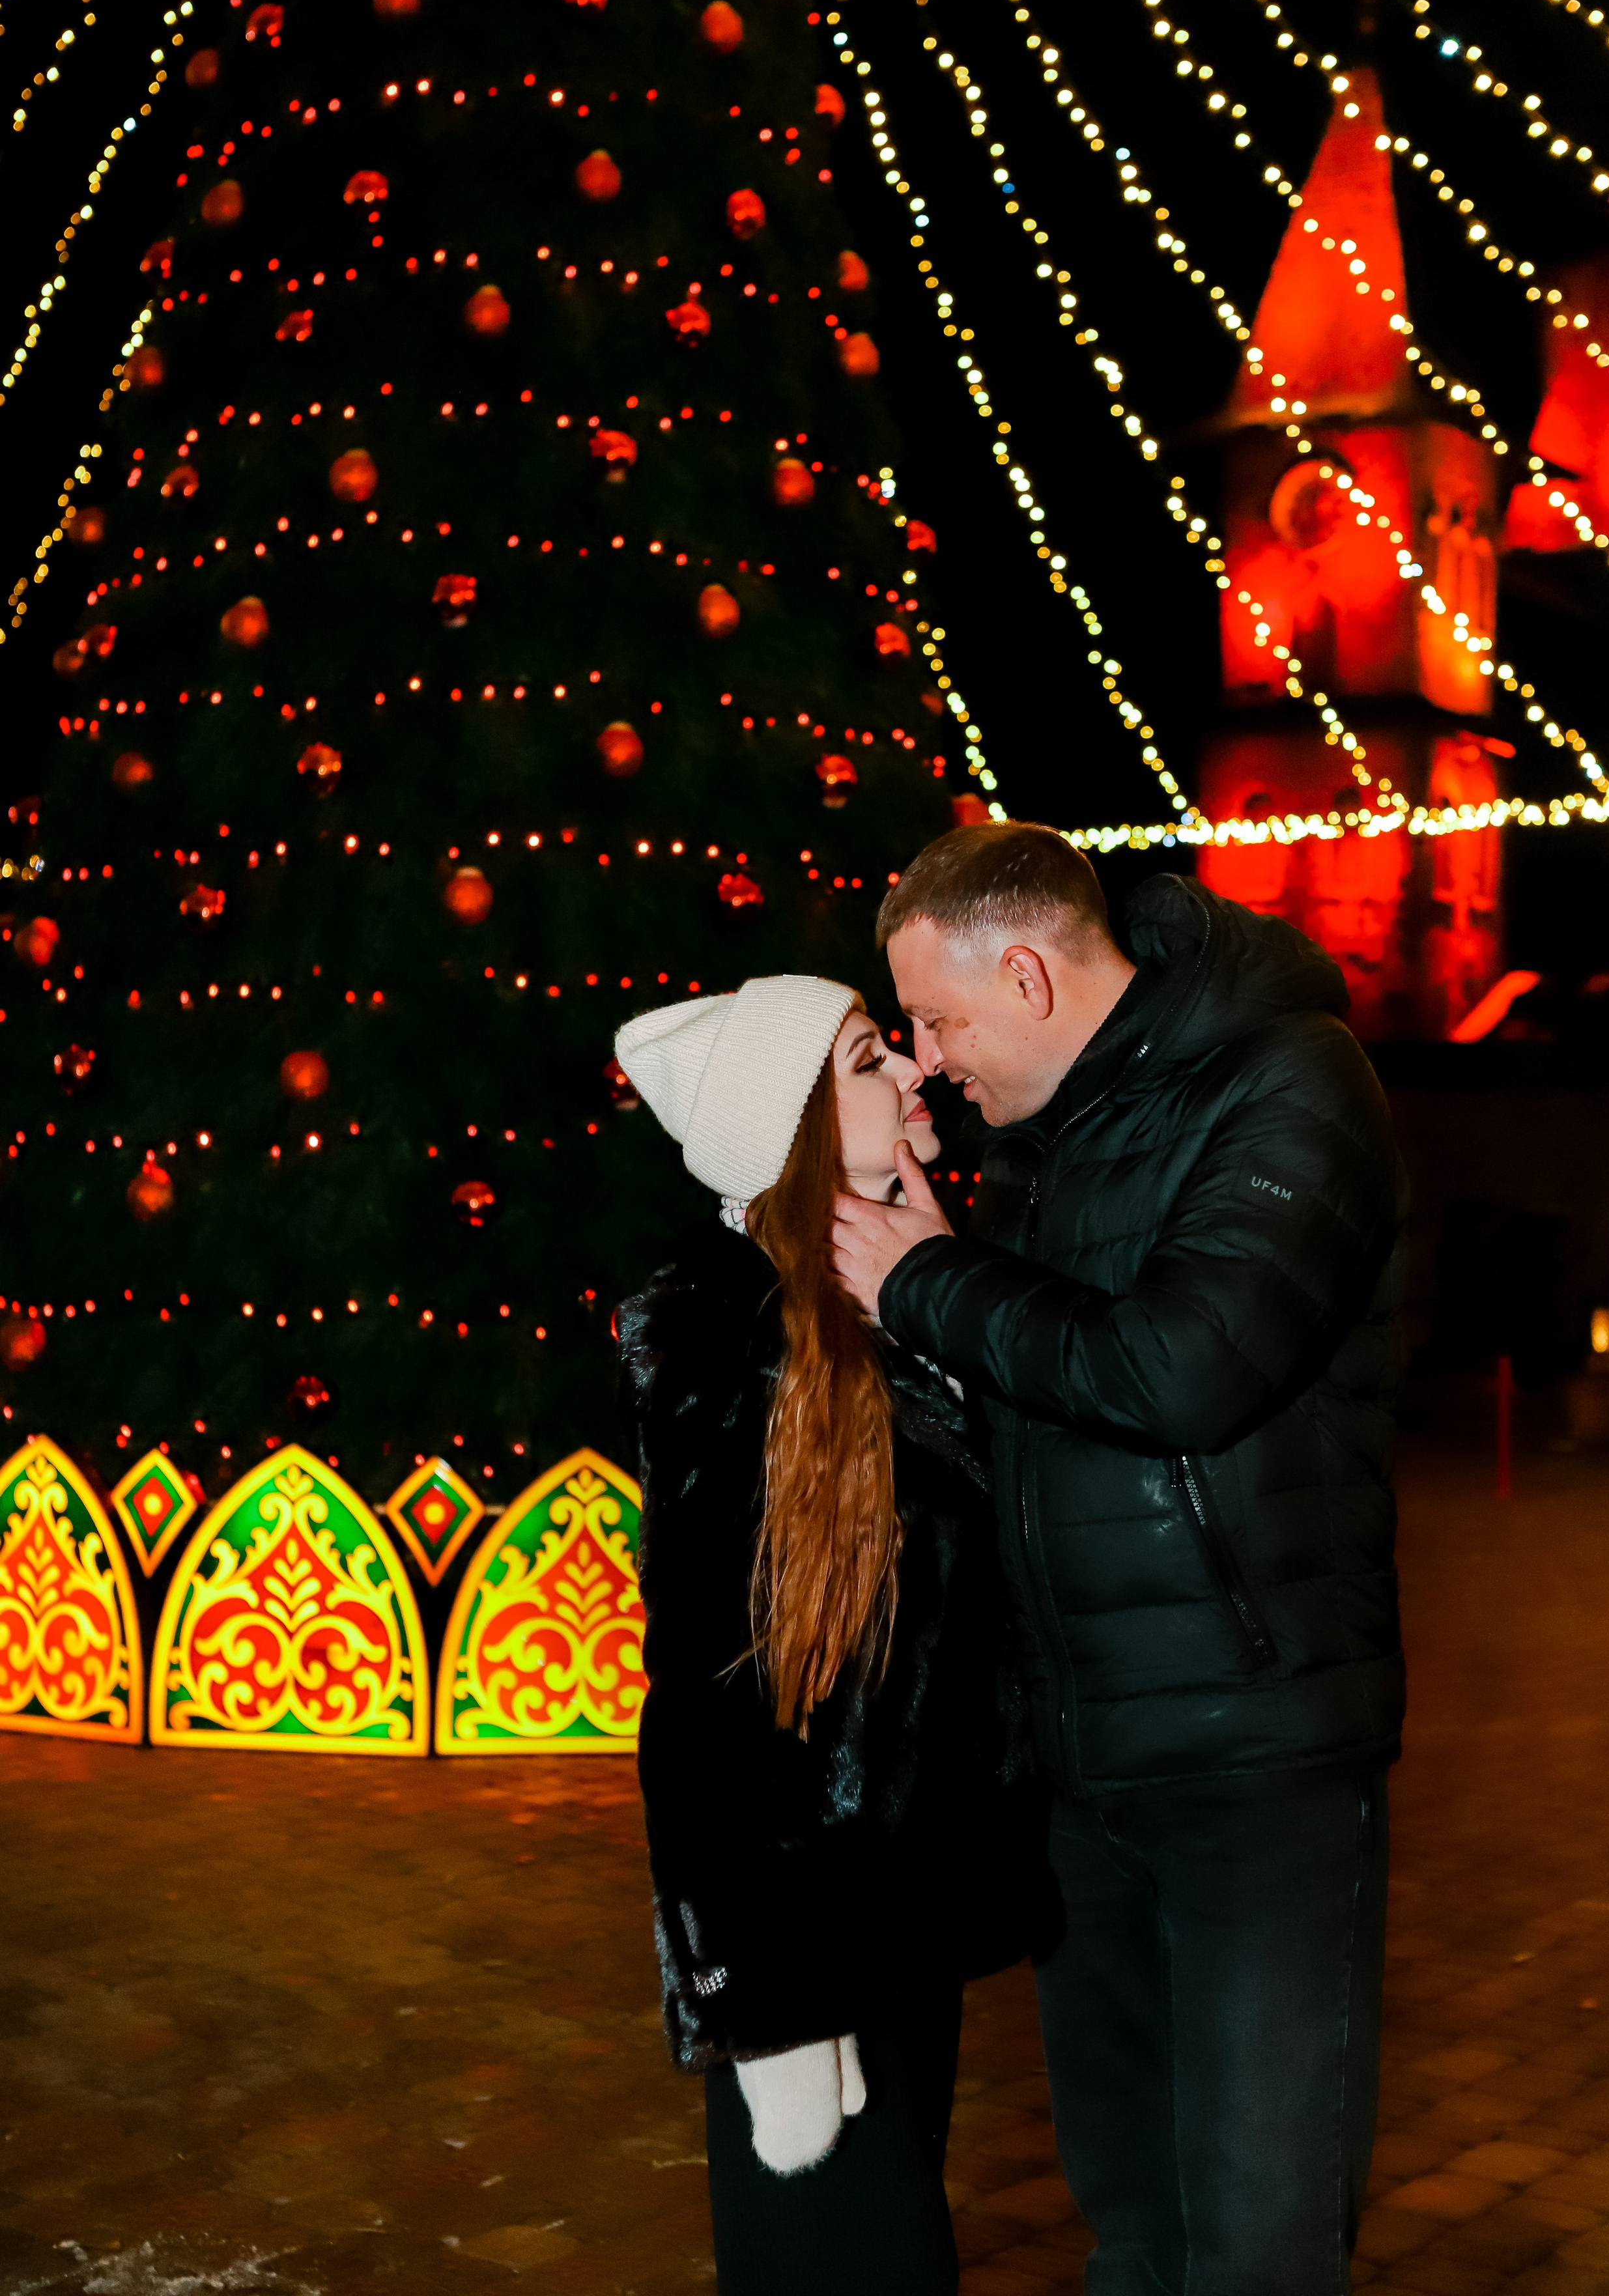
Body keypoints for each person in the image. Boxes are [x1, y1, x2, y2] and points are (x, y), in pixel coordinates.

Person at [829, 824, 1406, 2296]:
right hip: (1079, 1768)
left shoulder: (1292, 1083)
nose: (930, 1057)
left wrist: (929, 1279)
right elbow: (1028, 1394)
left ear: (1023, 972)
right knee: (1134, 2227)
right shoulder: (1035, 1140)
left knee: (1255, 2238)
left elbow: (1181, 1371)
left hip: (1250, 1762)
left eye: (940, 1019)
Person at [613, 974, 1057, 2296]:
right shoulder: (722, 1333)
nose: (909, 1073)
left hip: (907, 1894)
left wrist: (944, 1288)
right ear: (792, 1122)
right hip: (807, 1933)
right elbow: (706, 1689)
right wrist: (760, 2004)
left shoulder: (880, 1290)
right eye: (869, 1059)